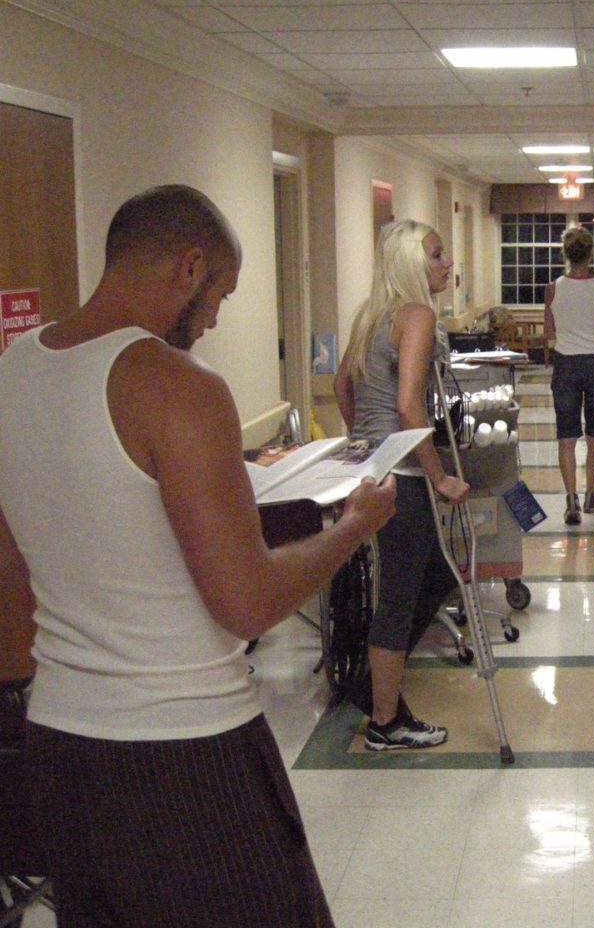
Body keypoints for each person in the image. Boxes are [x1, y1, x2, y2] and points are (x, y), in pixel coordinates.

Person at [0, 185, 398, 927]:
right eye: (219, 293)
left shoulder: (13, 370)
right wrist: (351, 526)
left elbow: (15, 564)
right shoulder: (177, 386)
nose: (214, 317)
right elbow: (246, 603)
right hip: (181, 751)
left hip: (59, 745)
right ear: (189, 267)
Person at [335, 219, 470, 750]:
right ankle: (384, 723)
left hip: (374, 470)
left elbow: (342, 383)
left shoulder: (370, 317)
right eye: (437, 255)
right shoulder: (416, 316)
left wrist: (362, 439)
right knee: (399, 596)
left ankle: (375, 688)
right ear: (414, 264)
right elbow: (410, 405)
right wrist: (440, 477)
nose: (447, 263)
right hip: (405, 477)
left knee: (437, 578)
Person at [544, 224, 594, 525]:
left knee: (567, 434)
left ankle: (571, 497)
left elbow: (549, 332)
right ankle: (591, 495)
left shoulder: (553, 289)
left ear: (565, 254)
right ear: (590, 254)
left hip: (565, 364)